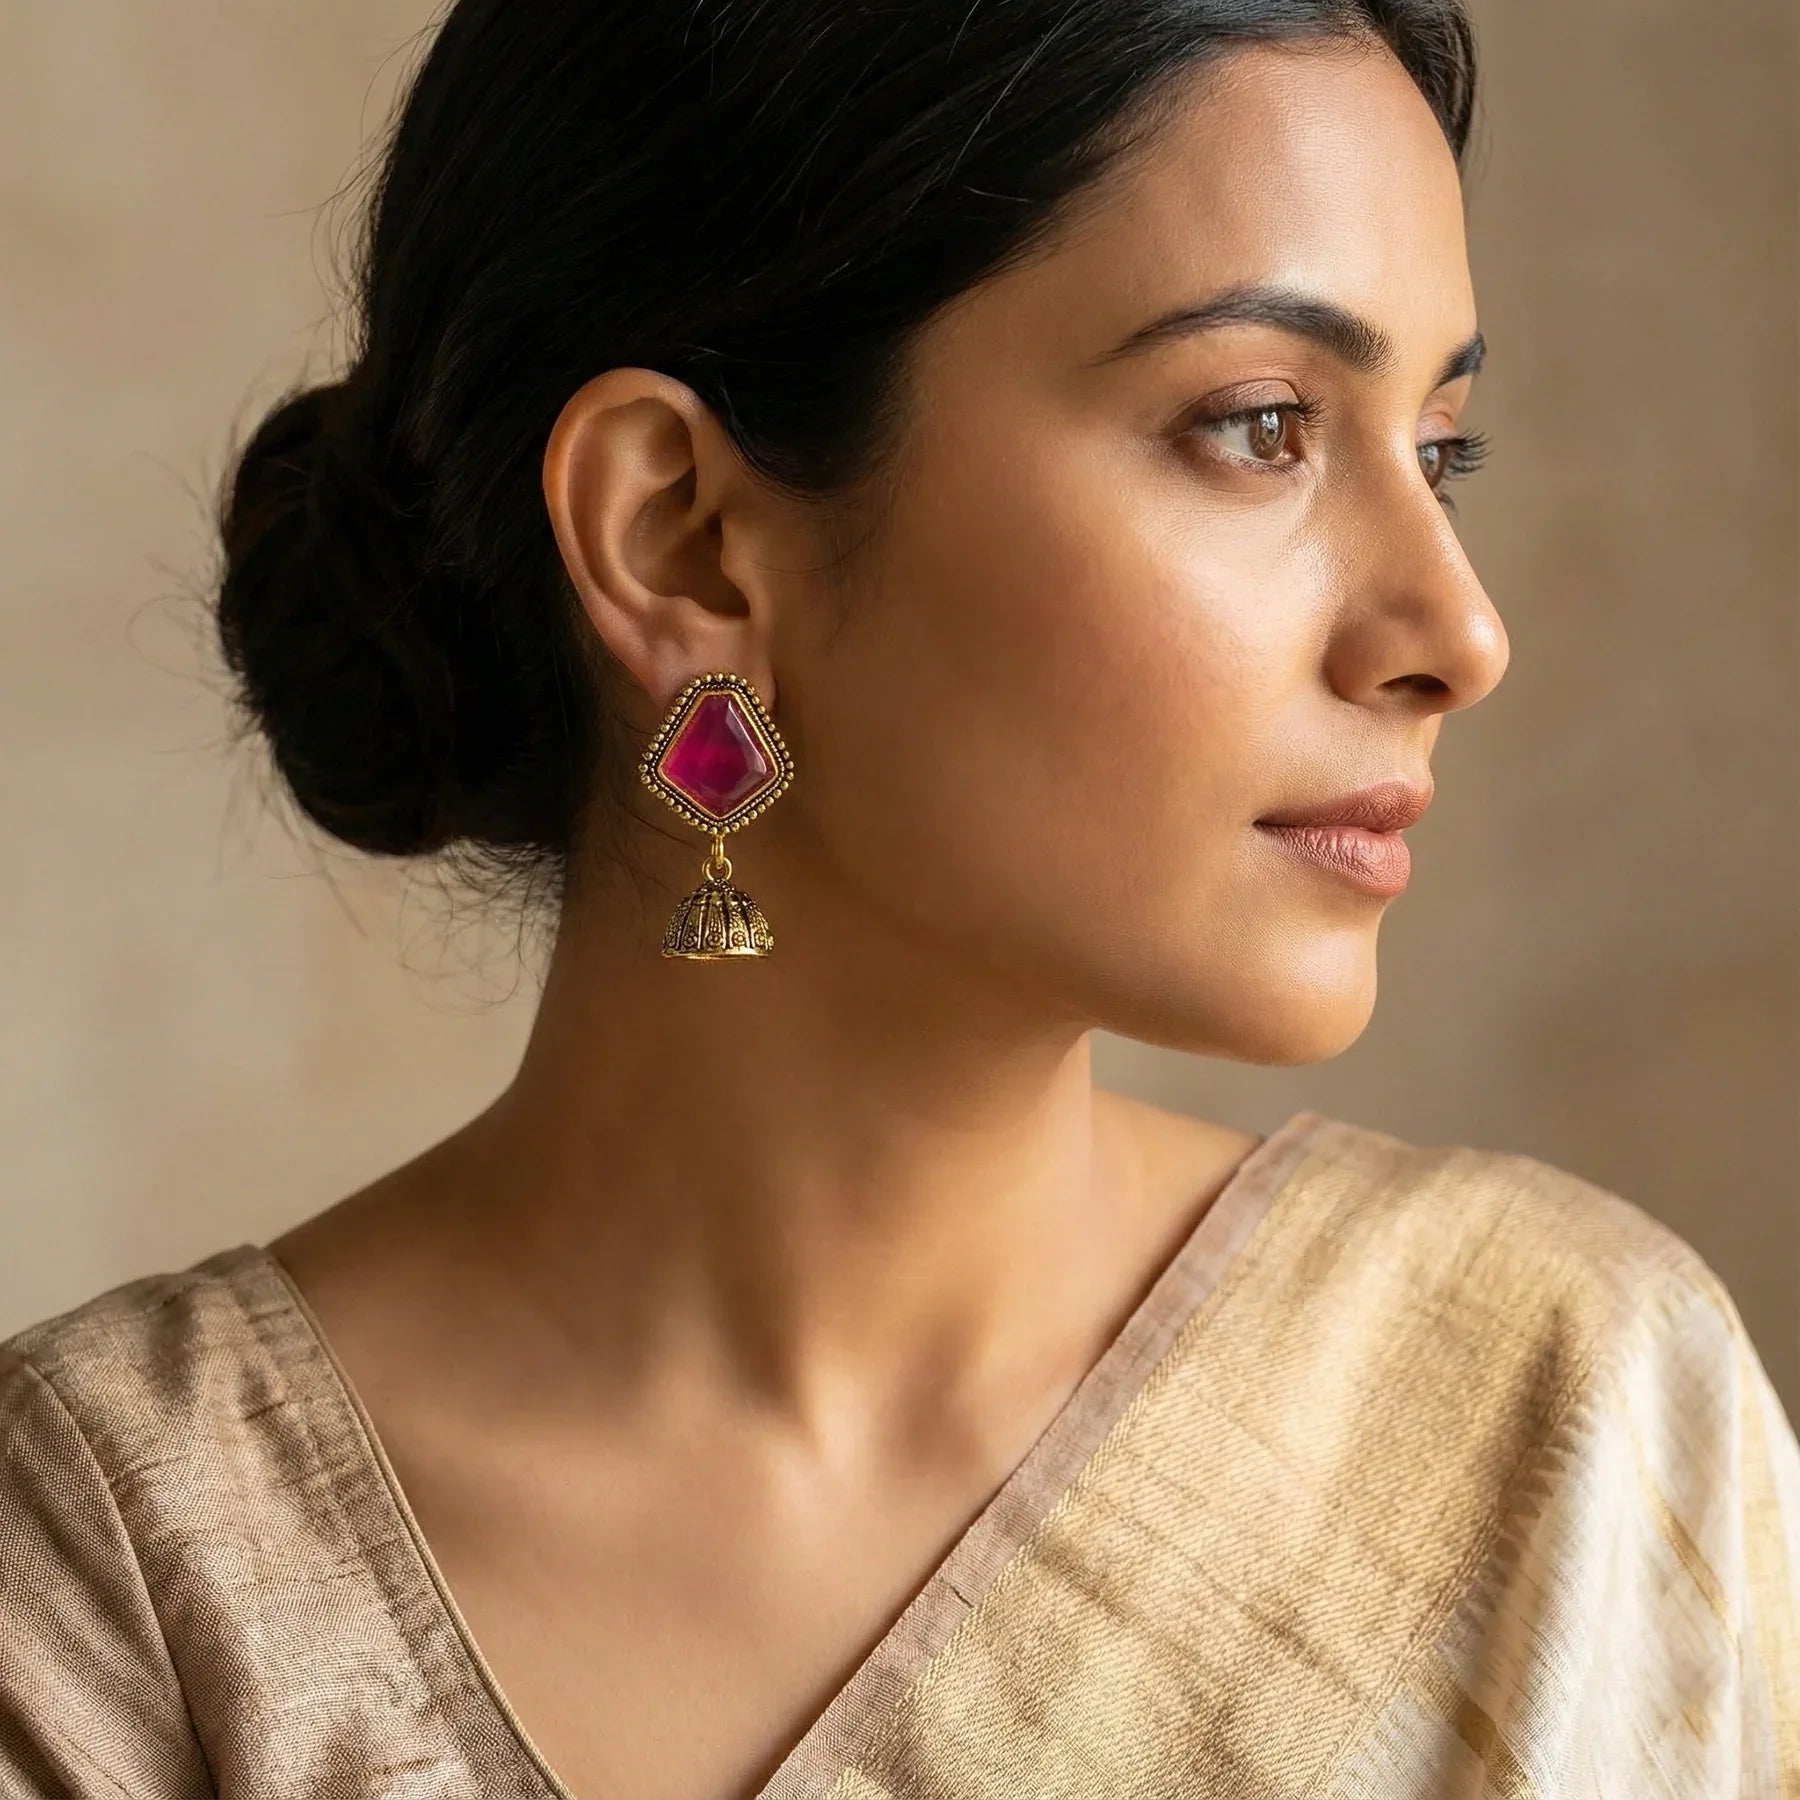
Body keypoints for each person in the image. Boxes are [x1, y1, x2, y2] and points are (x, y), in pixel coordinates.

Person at [3, 1, 1796, 1794]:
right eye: (1262, 425)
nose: (1459, 634)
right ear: (682, 535)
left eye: (1442, 448)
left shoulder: (1573, 1426)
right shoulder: (119, 1589)